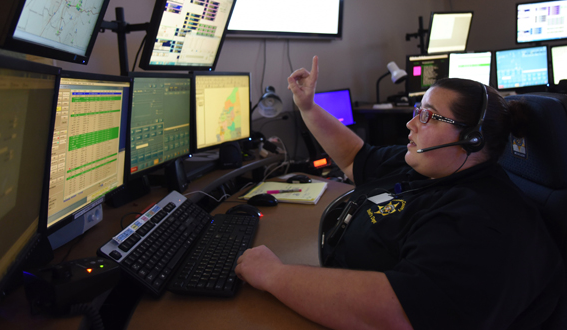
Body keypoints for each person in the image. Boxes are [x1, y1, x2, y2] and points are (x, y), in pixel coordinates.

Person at [235, 55, 564, 330]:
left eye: (427, 115)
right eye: (416, 111)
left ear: (471, 139)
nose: (411, 124)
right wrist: (307, 107)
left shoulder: (481, 222)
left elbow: (396, 311)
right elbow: (354, 158)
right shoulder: (425, 163)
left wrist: (274, 275)